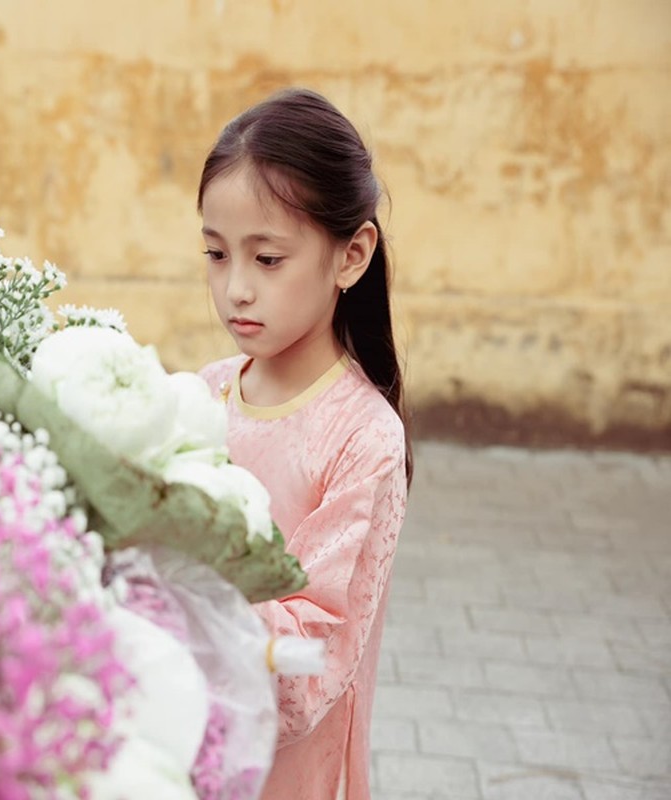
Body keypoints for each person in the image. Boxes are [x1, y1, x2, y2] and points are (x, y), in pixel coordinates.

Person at [197, 88, 411, 800]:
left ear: (350, 254)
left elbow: (310, 656)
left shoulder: (361, 438)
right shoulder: (202, 396)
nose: (235, 290)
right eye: (215, 254)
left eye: (266, 259)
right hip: (179, 741)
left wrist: (190, 591)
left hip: (284, 773)